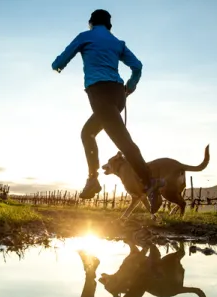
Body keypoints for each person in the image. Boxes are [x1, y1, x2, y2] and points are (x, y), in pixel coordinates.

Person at [51, 9, 164, 214]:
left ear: (91, 23)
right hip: (118, 95)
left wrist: (57, 65)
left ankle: (148, 183)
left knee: (122, 141)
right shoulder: (118, 43)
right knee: (88, 133)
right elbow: (137, 66)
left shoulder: (85, 37)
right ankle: (94, 179)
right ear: (109, 26)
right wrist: (130, 86)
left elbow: (59, 62)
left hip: (100, 93)